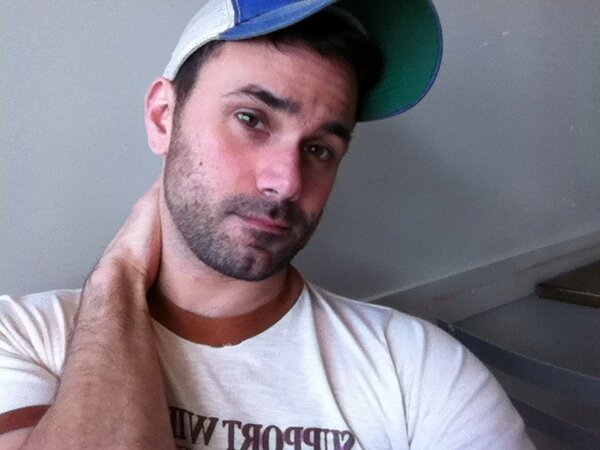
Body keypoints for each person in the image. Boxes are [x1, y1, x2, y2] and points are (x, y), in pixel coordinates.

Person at [0, 1, 534, 448]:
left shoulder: (422, 372)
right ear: (164, 116)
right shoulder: (24, 337)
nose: (287, 182)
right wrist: (117, 275)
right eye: (251, 119)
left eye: (320, 149)